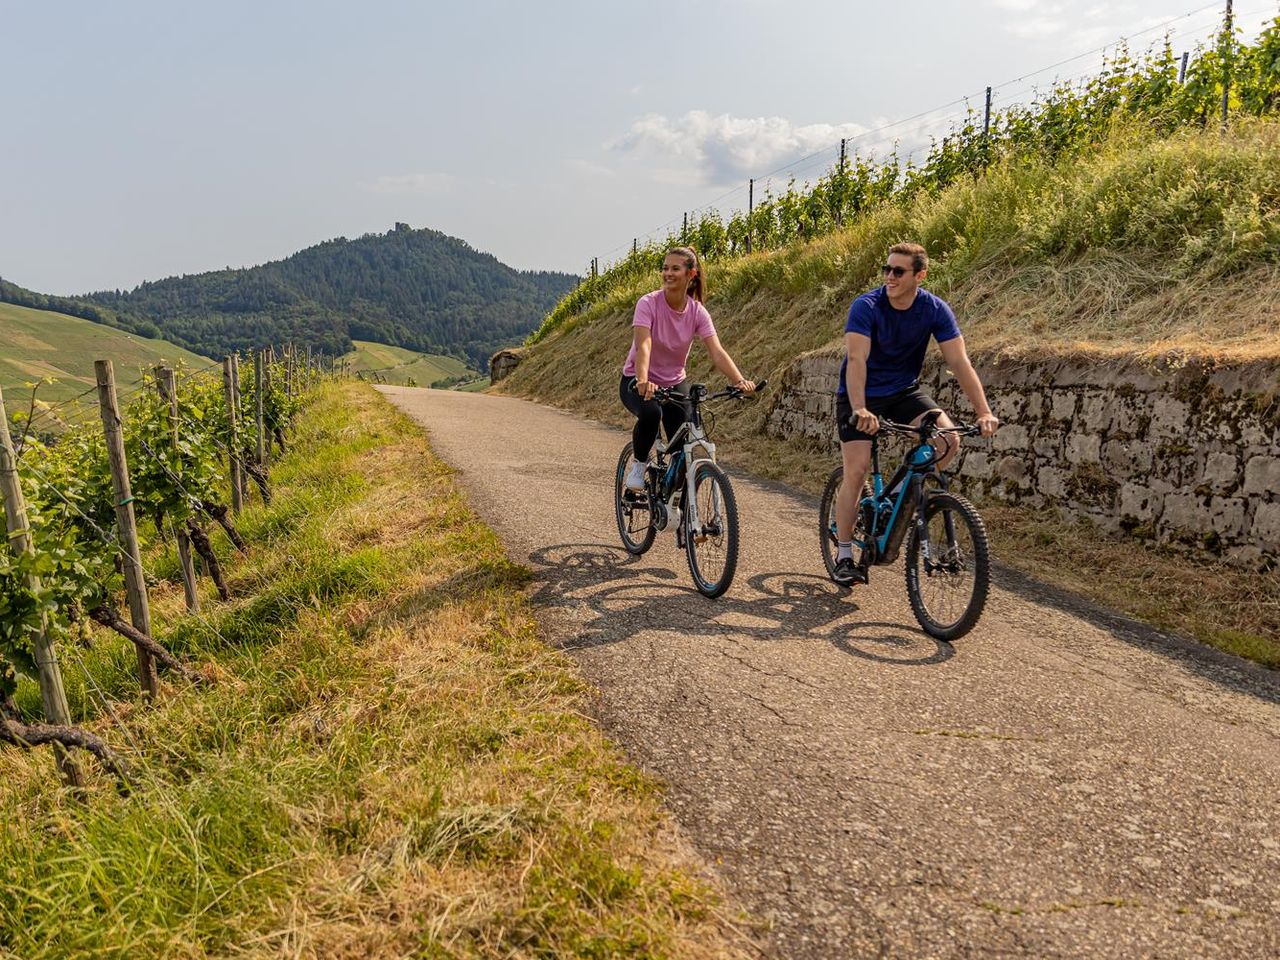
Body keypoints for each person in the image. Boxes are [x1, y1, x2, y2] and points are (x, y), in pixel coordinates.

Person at [831, 241, 1000, 585]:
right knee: (857, 470)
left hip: (903, 391)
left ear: (919, 275)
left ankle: (895, 498)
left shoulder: (934, 309)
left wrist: (984, 411)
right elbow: (857, 360)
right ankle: (845, 553)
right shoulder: (866, 306)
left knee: (948, 441)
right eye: (886, 270)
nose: (889, 277)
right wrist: (861, 407)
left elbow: (959, 362)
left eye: (898, 271)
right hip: (859, 394)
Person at [621, 246, 755, 490]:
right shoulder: (648, 303)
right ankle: (639, 465)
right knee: (651, 414)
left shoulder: (697, 312)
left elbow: (717, 351)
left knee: (685, 449)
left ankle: (683, 520)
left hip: (673, 382)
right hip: (637, 380)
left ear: (691, 274)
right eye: (665, 268)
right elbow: (644, 345)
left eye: (675, 268)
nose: (668, 273)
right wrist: (642, 379)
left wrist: (739, 381)